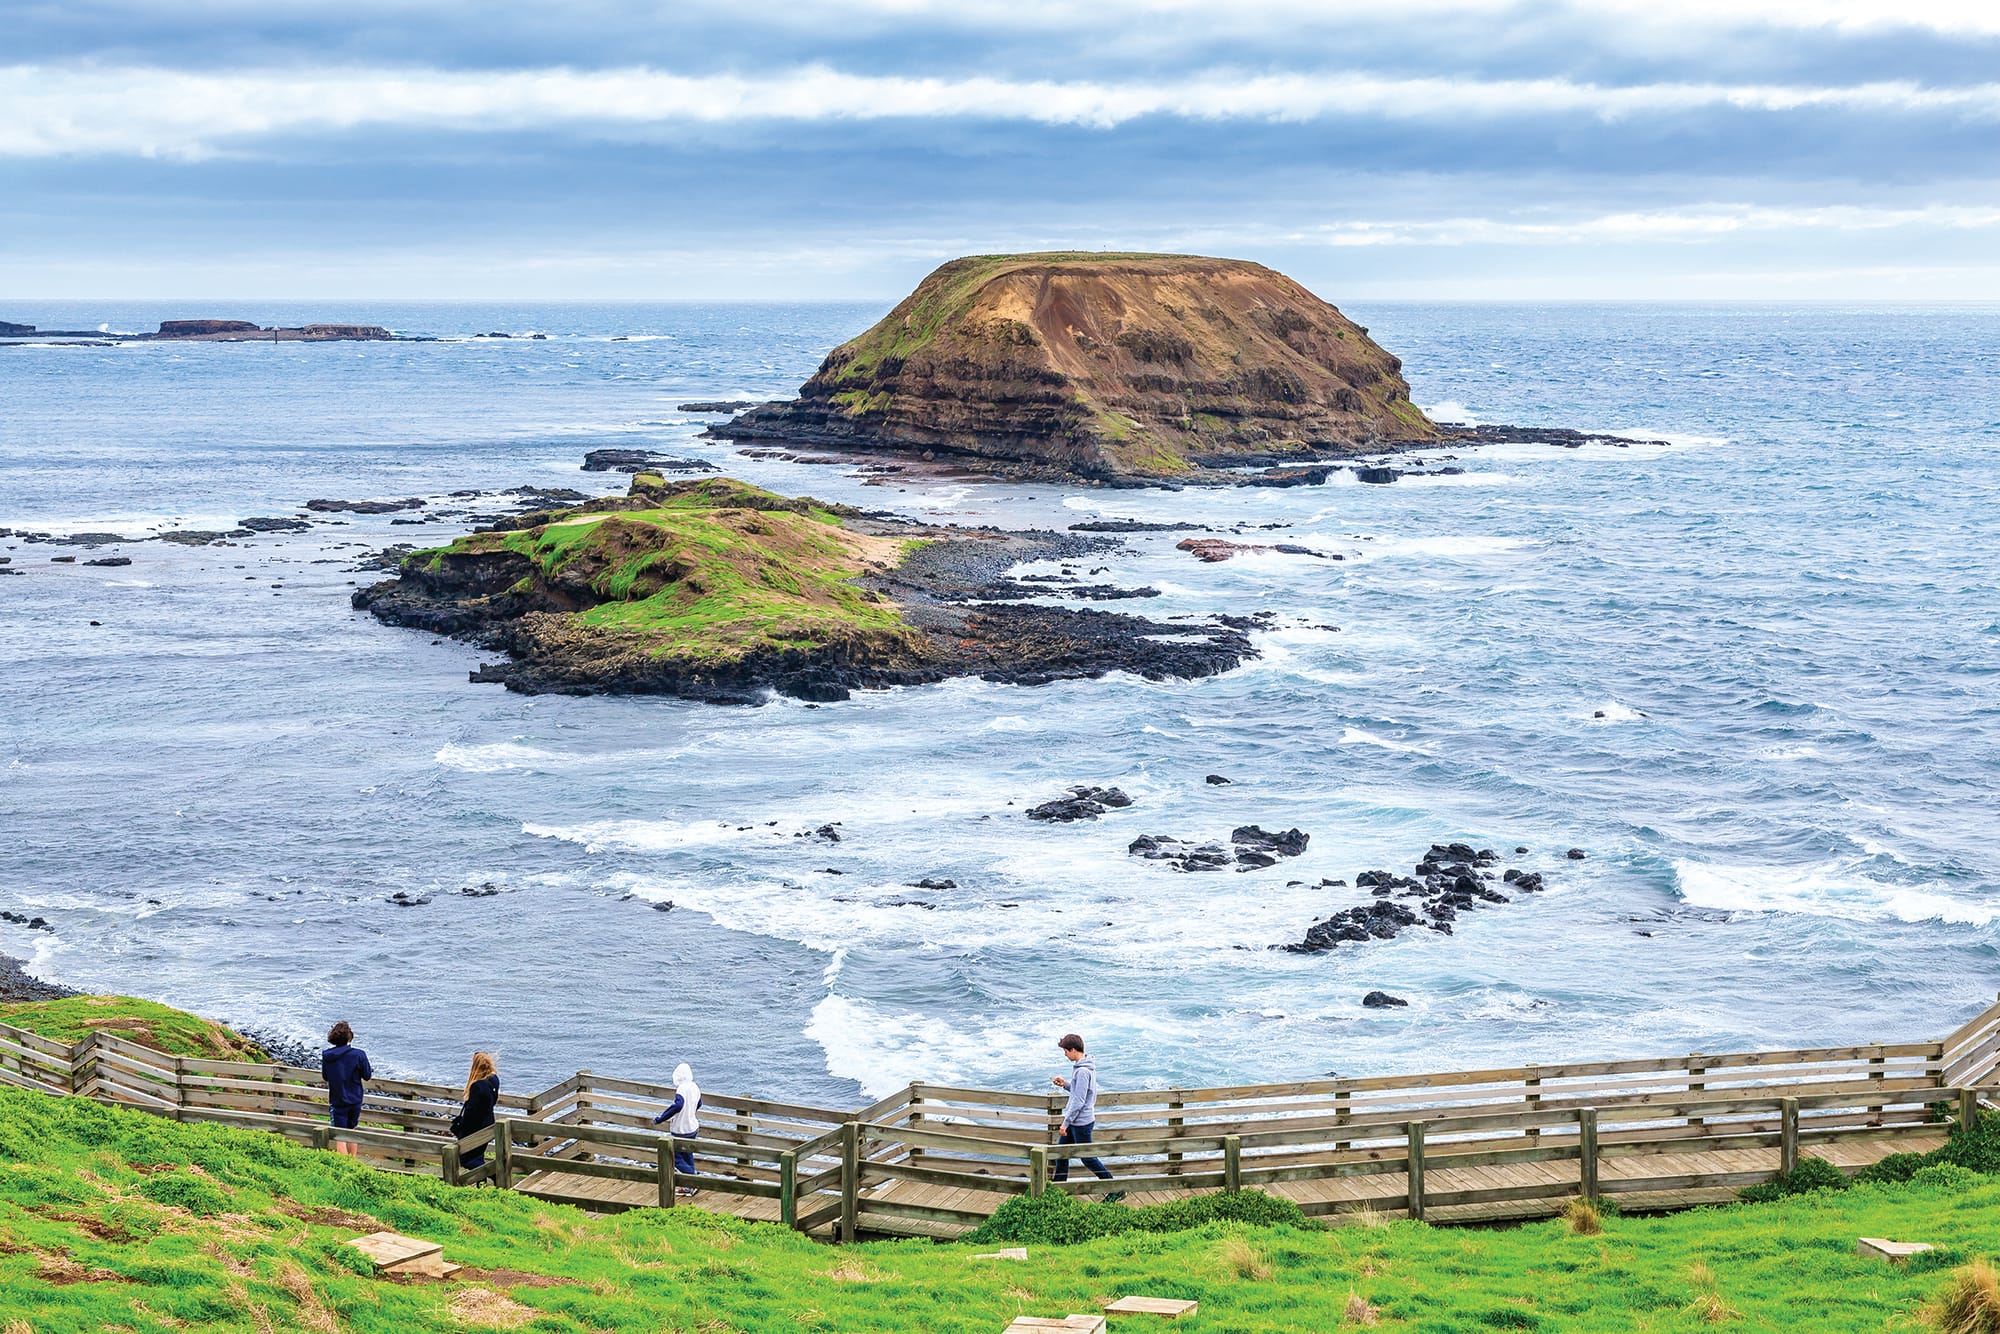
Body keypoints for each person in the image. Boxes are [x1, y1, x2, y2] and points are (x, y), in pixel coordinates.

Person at [1051, 1033, 1122, 1201]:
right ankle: (1057, 1191)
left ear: (1073, 1049)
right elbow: (1080, 1093)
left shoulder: (1082, 1071)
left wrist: (1065, 1123)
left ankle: (1115, 1189)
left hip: (1080, 1123)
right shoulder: (1085, 1066)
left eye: (1066, 1051)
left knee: (1088, 1158)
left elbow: (1079, 1101)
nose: (1065, 1054)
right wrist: (1066, 1085)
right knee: (1061, 1154)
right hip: (1077, 1120)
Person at [321, 1021, 372, 1157]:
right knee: (351, 1131)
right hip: (355, 1098)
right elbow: (367, 1075)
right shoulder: (359, 1055)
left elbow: (326, 1076)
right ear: (350, 1037)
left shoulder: (327, 1055)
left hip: (337, 1099)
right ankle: (352, 1162)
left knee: (340, 1135)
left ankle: (345, 1165)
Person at [651, 1062, 702, 1197]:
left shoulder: (682, 1089)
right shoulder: (694, 1086)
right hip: (693, 1127)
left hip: (681, 1129)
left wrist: (661, 1118)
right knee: (687, 1154)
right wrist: (690, 1113)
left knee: (675, 1156)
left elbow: (678, 1105)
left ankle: (693, 1179)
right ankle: (690, 1186)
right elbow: (700, 1103)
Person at [449, 1051, 500, 1172]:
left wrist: (462, 1129)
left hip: (474, 1128)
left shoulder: (477, 1086)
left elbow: (471, 1112)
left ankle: (493, 1174)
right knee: (478, 1156)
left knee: (467, 1160)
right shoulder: (494, 1079)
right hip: (488, 1123)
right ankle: (482, 1183)